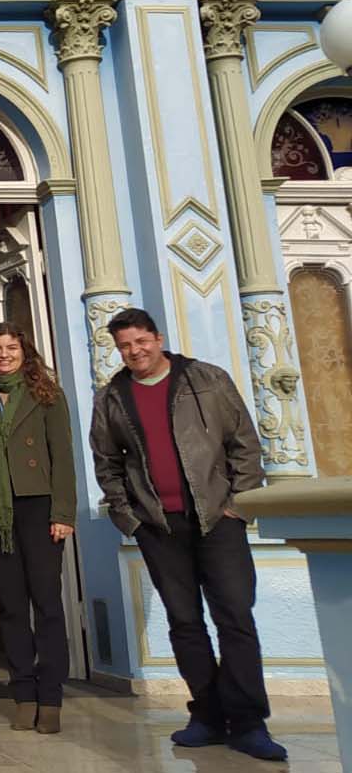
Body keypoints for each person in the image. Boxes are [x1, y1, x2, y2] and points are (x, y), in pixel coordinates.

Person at [89, 308, 284, 762]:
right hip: (159, 527)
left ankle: (249, 722)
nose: (134, 352)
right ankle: (209, 716)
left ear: (157, 338)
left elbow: (244, 443)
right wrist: (129, 518)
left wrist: (239, 504)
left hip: (218, 519)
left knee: (235, 617)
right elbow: (107, 463)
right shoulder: (112, 397)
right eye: (124, 346)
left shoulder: (205, 379)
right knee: (185, 623)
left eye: (141, 341)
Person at [0, 321, 77, 735]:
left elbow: (62, 456)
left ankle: (51, 696)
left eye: (11, 348)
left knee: (46, 602)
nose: (4, 355)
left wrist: (64, 513)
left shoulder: (47, 394)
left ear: (24, 352)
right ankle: (23, 693)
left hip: (39, 507)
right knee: (10, 606)